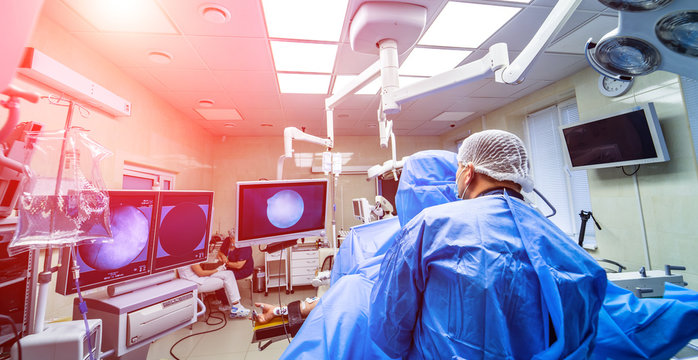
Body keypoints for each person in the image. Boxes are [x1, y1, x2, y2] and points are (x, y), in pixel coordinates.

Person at [369, 129, 608, 359]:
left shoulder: (430, 226)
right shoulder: (567, 248)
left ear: (468, 172)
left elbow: (389, 327)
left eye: (458, 170)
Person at [177, 254, 251, 319]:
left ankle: (236, 306)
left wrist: (217, 270)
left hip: (196, 279)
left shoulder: (181, 255)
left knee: (229, 274)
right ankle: (236, 307)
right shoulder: (189, 256)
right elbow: (201, 273)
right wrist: (217, 270)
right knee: (226, 281)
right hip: (197, 283)